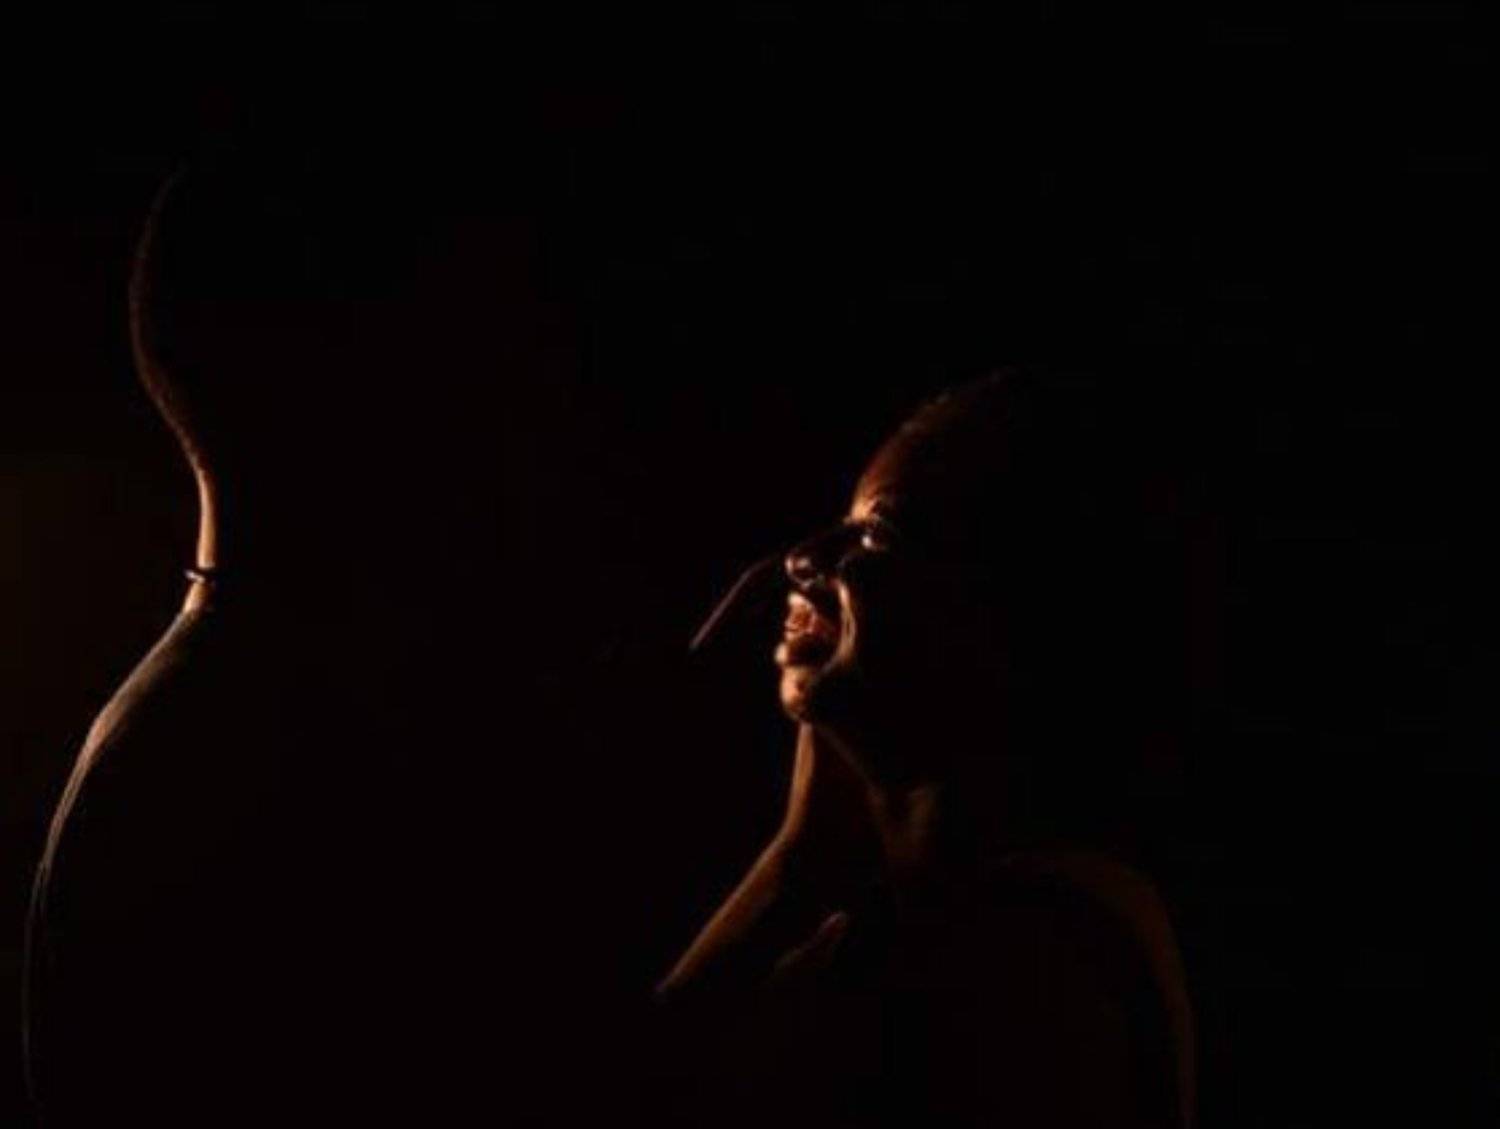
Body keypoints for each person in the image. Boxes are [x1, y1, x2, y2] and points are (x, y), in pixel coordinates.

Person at [654, 373, 1203, 1129]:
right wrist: (794, 862)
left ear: (1006, 615)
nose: (803, 559)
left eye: (877, 535)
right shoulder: (911, 918)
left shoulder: (1028, 972)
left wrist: (788, 872)